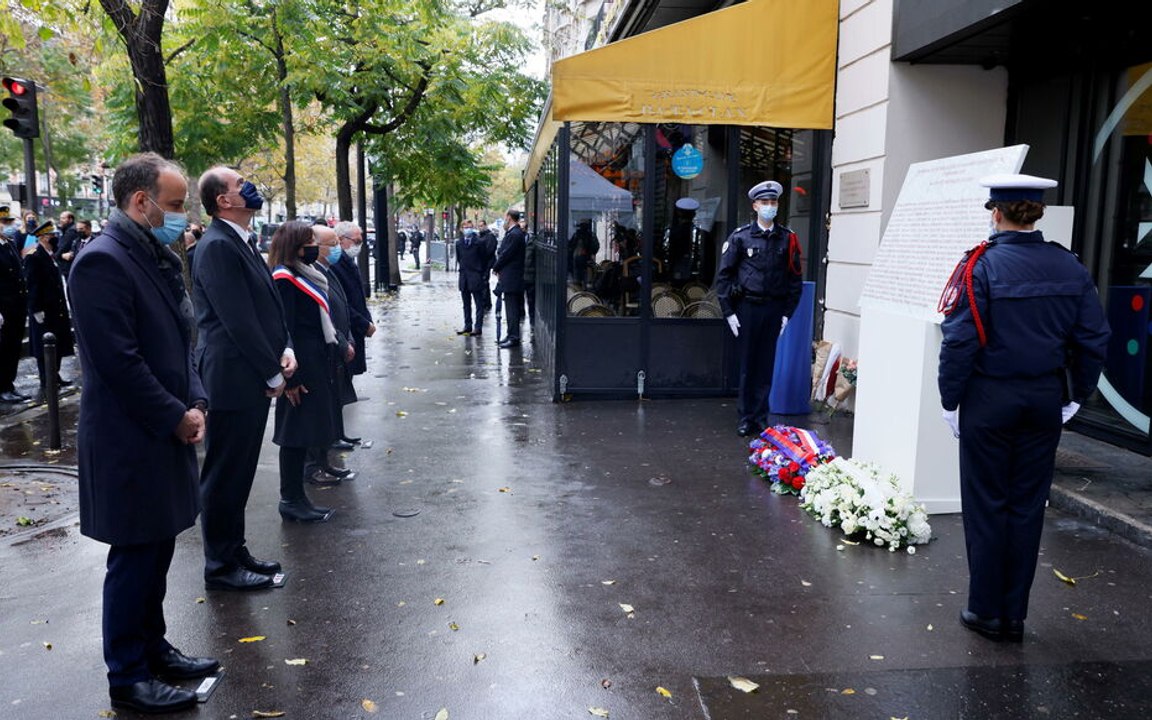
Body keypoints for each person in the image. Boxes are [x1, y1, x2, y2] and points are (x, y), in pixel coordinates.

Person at [69, 152, 218, 714]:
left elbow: (182, 341)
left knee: (156, 550)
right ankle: (128, 675)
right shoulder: (102, 261)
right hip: (130, 439)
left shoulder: (149, 254)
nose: (182, 216)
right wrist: (176, 415)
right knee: (134, 557)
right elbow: (119, 362)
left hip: (161, 430)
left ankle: (154, 648)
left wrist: (196, 400)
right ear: (141, 201)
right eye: (175, 205)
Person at [938, 173, 1110, 642]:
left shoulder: (980, 265)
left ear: (996, 213)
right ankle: (1013, 614)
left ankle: (984, 610)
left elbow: (960, 341)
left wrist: (950, 399)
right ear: (1037, 213)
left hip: (989, 398)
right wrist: (1076, 394)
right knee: (1027, 505)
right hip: (1043, 399)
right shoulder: (1069, 266)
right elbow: (1093, 338)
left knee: (987, 502)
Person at [193, 166, 296, 590]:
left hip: (246, 375)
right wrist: (272, 371)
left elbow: (266, 307)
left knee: (239, 474)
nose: (248, 187)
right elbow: (238, 319)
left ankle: (234, 551)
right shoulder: (217, 245)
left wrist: (285, 347)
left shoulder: (239, 240)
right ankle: (220, 566)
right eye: (240, 184)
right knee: (225, 475)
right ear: (224, 200)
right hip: (232, 378)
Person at [714, 180, 803, 437]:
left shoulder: (787, 238)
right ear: (755, 206)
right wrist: (728, 311)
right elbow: (724, 276)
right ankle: (746, 417)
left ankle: (761, 416)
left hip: (773, 308)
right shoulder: (741, 237)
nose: (769, 206)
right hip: (748, 308)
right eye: (765, 202)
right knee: (747, 365)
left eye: (773, 202)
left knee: (765, 365)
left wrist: (787, 314)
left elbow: (794, 279)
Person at [267, 222, 338, 521]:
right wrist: (292, 378)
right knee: (295, 433)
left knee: (305, 431)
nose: (314, 247)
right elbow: (284, 328)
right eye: (309, 242)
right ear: (295, 246)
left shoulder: (302, 274)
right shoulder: (284, 278)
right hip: (300, 366)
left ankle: (298, 498)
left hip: (314, 360)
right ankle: (291, 499)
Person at [24, 220, 75, 393]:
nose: (54, 238)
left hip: (55, 308)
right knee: (44, 346)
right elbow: (32, 285)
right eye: (51, 235)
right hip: (44, 310)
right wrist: (36, 309)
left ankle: (55, 375)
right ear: (43, 237)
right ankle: (47, 380)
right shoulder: (34, 256)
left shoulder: (50, 255)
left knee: (57, 344)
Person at [0, 206, 29, 403]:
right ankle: (2, 387)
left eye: (8, 222)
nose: (7, 226)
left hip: (16, 305)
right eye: (4, 222)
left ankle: (9, 384)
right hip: (4, 306)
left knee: (14, 347)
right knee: (4, 348)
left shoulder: (8, 243)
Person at [492, 210, 527, 349]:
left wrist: (496, 267)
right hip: (511, 276)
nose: (504, 220)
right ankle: (511, 334)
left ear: (509, 217)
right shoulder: (514, 233)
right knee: (510, 308)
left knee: (512, 309)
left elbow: (506, 254)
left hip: (512, 277)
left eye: (505, 217)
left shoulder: (514, 234)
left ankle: (513, 337)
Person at [455, 219, 492, 337]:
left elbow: (484, 259)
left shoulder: (479, 242)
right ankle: (467, 326)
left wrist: (482, 273)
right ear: (461, 229)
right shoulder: (459, 243)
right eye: (465, 227)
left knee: (479, 303)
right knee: (466, 304)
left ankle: (478, 327)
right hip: (464, 277)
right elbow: (459, 259)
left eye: (470, 227)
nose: (468, 229)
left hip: (476, 275)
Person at [569, 219, 599, 289]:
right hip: (580, 258)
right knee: (581, 276)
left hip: (582, 258)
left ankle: (582, 287)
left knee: (582, 275)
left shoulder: (581, 235)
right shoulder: (580, 235)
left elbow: (571, 245)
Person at [477, 219, 498, 313]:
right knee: (482, 283)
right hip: (481, 263)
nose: (480, 228)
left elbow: (490, 250)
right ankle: (484, 303)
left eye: (481, 226)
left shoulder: (490, 236)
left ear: (485, 225)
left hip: (486, 263)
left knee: (485, 283)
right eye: (479, 226)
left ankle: (486, 304)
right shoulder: (480, 236)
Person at [55, 210, 78, 277]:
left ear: (70, 219)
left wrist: (55, 256)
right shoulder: (66, 229)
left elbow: (63, 247)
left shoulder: (71, 231)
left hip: (68, 265)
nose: (61, 220)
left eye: (63, 218)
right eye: (60, 218)